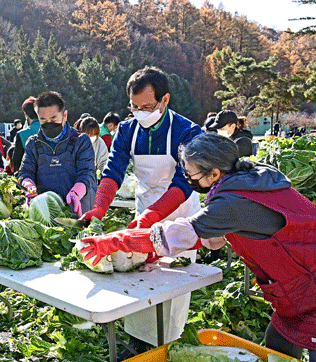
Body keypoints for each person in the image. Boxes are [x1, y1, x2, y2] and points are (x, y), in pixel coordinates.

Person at [81, 132, 316, 362]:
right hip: (300, 283)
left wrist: (117, 241)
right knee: (279, 342)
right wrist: (152, 249)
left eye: (192, 174)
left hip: (308, 283)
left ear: (214, 173)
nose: (189, 179)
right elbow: (207, 235)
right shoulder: (250, 179)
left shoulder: (233, 202)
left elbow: (177, 235)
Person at [81, 66, 203, 358]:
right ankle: (137, 343)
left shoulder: (187, 131)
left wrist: (150, 219)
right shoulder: (127, 129)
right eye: (134, 107)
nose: (139, 112)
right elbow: (113, 171)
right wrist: (98, 208)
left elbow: (183, 184)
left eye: (147, 107)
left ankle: (165, 346)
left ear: (164, 100)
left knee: (172, 283)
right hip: (145, 206)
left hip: (179, 216)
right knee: (137, 279)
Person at [19, 91, 97, 216]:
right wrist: (28, 184)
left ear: (65, 115)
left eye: (53, 118)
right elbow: (25, 172)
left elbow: (87, 172)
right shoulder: (33, 143)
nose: (49, 123)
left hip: (78, 211)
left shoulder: (81, 140)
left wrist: (77, 192)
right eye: (43, 120)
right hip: (46, 213)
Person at [12, 96, 40, 173]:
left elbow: (16, 162)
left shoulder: (21, 134)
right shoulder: (53, 129)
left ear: (26, 114)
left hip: (30, 178)